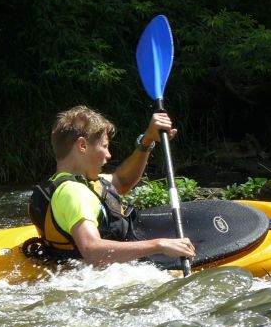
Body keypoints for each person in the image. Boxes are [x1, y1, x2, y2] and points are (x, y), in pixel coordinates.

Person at [27, 105, 195, 266]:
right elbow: (92, 250)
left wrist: (147, 141)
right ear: (82, 145)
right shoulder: (74, 193)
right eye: (105, 146)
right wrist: (159, 245)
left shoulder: (66, 183)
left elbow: (122, 181)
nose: (108, 155)